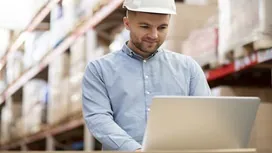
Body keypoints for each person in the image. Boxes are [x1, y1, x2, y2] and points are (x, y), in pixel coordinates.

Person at [82, 0, 211, 151]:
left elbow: (204, 117)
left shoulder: (188, 68)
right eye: (145, 27)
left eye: (162, 27)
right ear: (127, 23)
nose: (154, 35)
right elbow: (98, 119)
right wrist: (134, 150)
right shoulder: (98, 70)